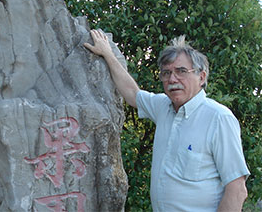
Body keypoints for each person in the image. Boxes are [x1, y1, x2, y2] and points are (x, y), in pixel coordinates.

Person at [84, 29, 250, 212]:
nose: (172, 79)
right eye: (166, 73)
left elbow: (236, 190)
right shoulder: (163, 107)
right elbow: (132, 93)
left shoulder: (218, 118)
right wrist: (107, 54)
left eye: (181, 71)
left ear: (201, 77)